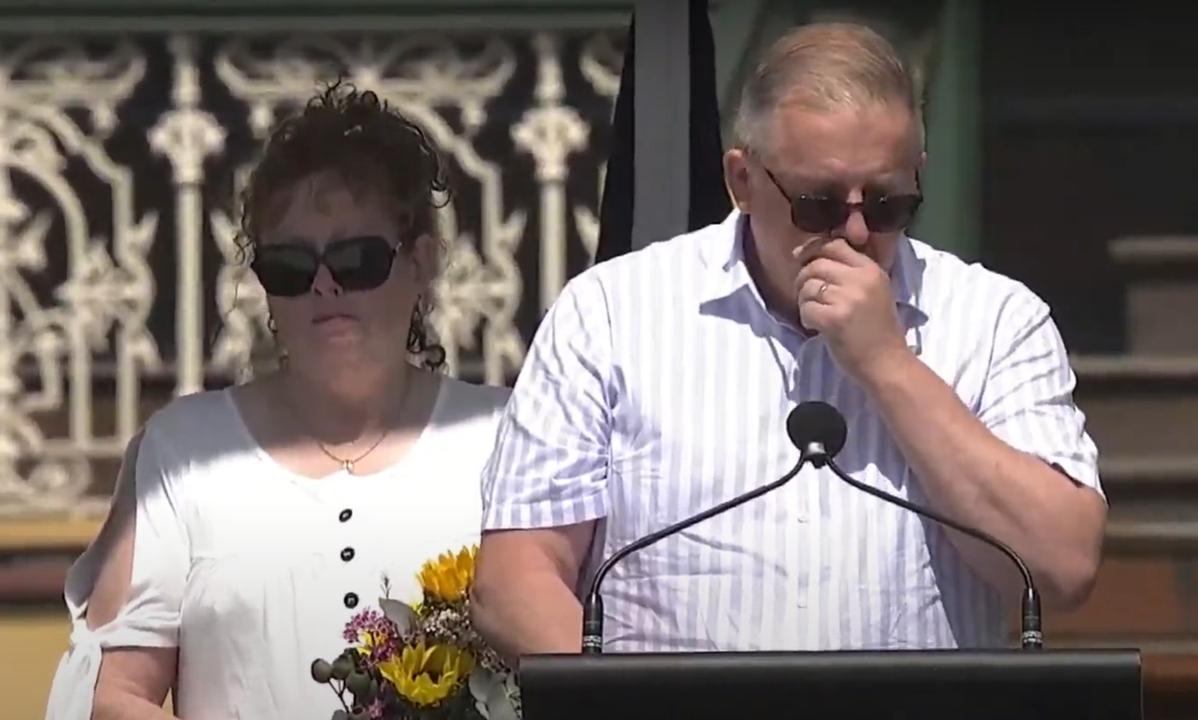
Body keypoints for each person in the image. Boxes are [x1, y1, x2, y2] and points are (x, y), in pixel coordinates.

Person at [472, 22, 1107, 657]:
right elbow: (516, 578)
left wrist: (888, 366)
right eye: (820, 204)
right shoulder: (609, 313)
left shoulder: (996, 320)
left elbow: (1061, 567)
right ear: (743, 181)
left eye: (887, 204)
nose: (856, 235)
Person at [45, 83, 509, 719]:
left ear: (422, 263)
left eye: (357, 258)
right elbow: (114, 693)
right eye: (290, 265)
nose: (324, 286)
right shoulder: (186, 453)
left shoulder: (504, 439)